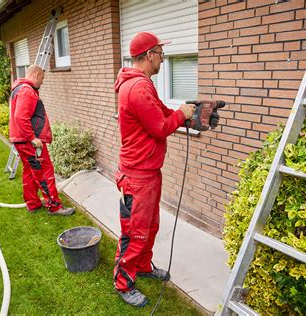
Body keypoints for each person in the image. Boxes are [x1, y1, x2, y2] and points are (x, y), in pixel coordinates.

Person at [113, 32, 195, 307]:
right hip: (137, 176)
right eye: (160, 53)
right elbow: (160, 128)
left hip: (148, 172)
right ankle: (123, 282)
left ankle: (144, 265)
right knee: (135, 233)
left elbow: (161, 112)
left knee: (149, 227)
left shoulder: (143, 84)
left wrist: (186, 112)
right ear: (149, 56)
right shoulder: (137, 88)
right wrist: (181, 115)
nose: (163, 58)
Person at [8, 64, 74, 216]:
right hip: (30, 142)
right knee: (44, 172)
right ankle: (54, 206)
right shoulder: (27, 91)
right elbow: (20, 117)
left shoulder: (19, 89)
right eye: (42, 78)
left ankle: (32, 203)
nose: (42, 82)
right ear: (36, 75)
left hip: (20, 140)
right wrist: (32, 138)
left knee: (30, 171)